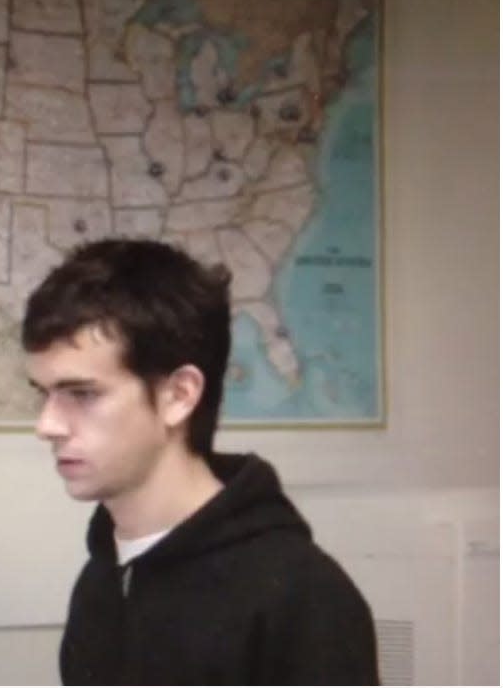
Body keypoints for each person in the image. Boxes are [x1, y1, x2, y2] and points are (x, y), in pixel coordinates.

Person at [21, 238, 379, 685]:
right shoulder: (100, 581)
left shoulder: (301, 598)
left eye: (82, 394)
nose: (47, 425)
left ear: (179, 395)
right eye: (44, 393)